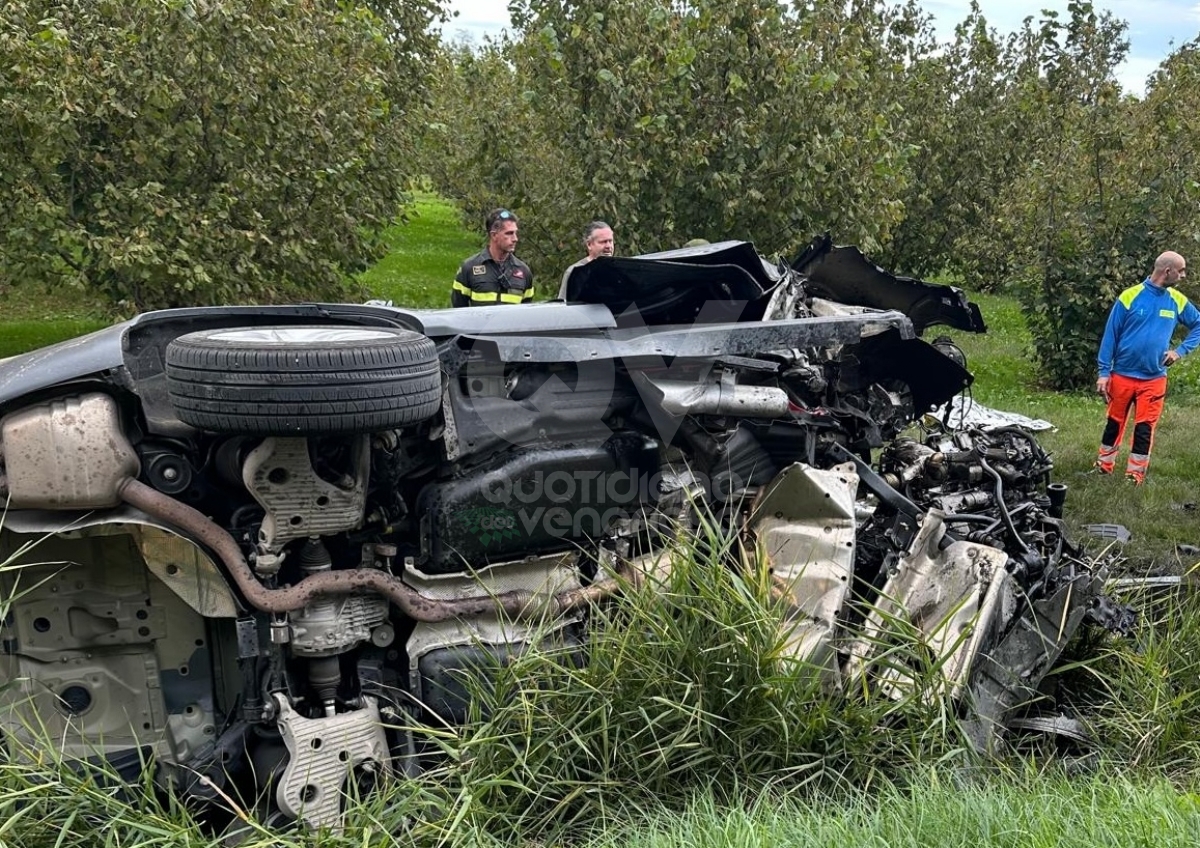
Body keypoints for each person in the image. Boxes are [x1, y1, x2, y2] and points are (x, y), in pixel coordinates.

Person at [1094, 250, 1200, 484]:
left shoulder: (1177, 300)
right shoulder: (1130, 296)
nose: (1183, 276)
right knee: (1114, 423)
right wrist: (1104, 373)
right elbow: (1110, 336)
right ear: (1167, 271)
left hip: (1154, 379)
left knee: (1144, 428)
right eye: (1181, 271)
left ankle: (1135, 474)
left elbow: (1199, 324)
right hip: (1121, 375)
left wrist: (1179, 351)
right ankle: (1103, 466)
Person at [451, 208, 534, 307]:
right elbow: (458, 310)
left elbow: (526, 313)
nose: (515, 239)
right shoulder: (469, 268)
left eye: (515, 233)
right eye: (509, 233)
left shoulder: (524, 272)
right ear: (494, 235)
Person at [558, 221, 615, 300]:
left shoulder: (621, 271)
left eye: (610, 241)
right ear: (589, 244)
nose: (608, 246)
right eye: (603, 242)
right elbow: (562, 306)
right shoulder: (575, 272)